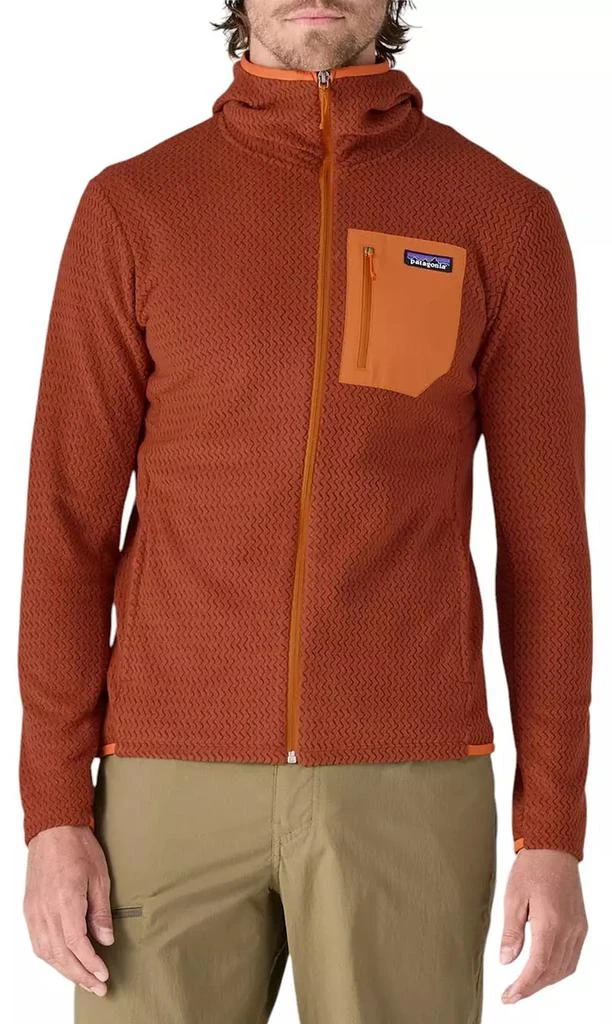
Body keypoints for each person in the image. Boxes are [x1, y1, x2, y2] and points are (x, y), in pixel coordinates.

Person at [18, 2, 592, 1021]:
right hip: (165, 781)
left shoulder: (500, 214)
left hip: (408, 782)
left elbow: (546, 544)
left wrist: (551, 826)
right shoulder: (134, 208)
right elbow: (66, 525)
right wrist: (53, 809)